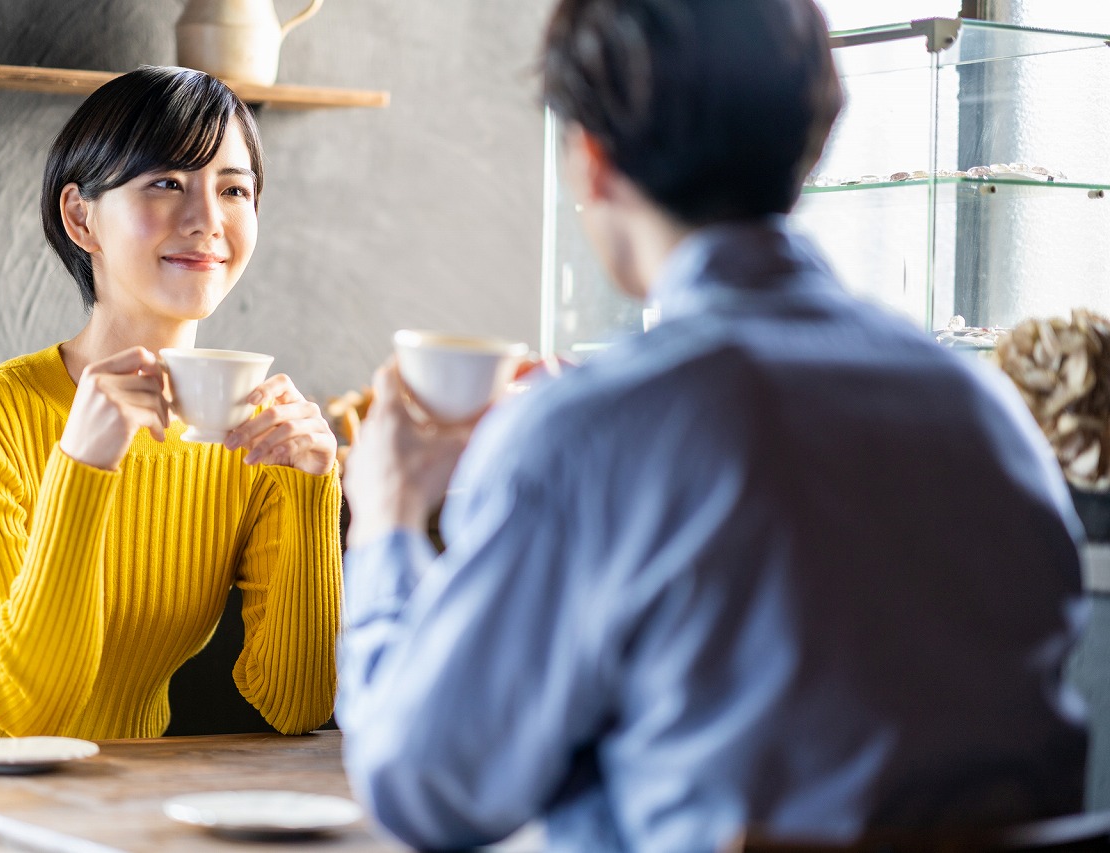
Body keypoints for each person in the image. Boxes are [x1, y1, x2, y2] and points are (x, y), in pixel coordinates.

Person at [334, 1, 1088, 851]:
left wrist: (390, 520)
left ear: (592, 159)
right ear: (813, 140)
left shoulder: (587, 435)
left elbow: (427, 787)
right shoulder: (985, 411)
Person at [0, 66, 342, 853]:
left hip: (117, 813)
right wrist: (83, 462)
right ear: (81, 216)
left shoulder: (259, 438)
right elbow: (30, 710)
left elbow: (295, 703)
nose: (207, 218)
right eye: (167, 181)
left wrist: (314, 489)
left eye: (235, 190)